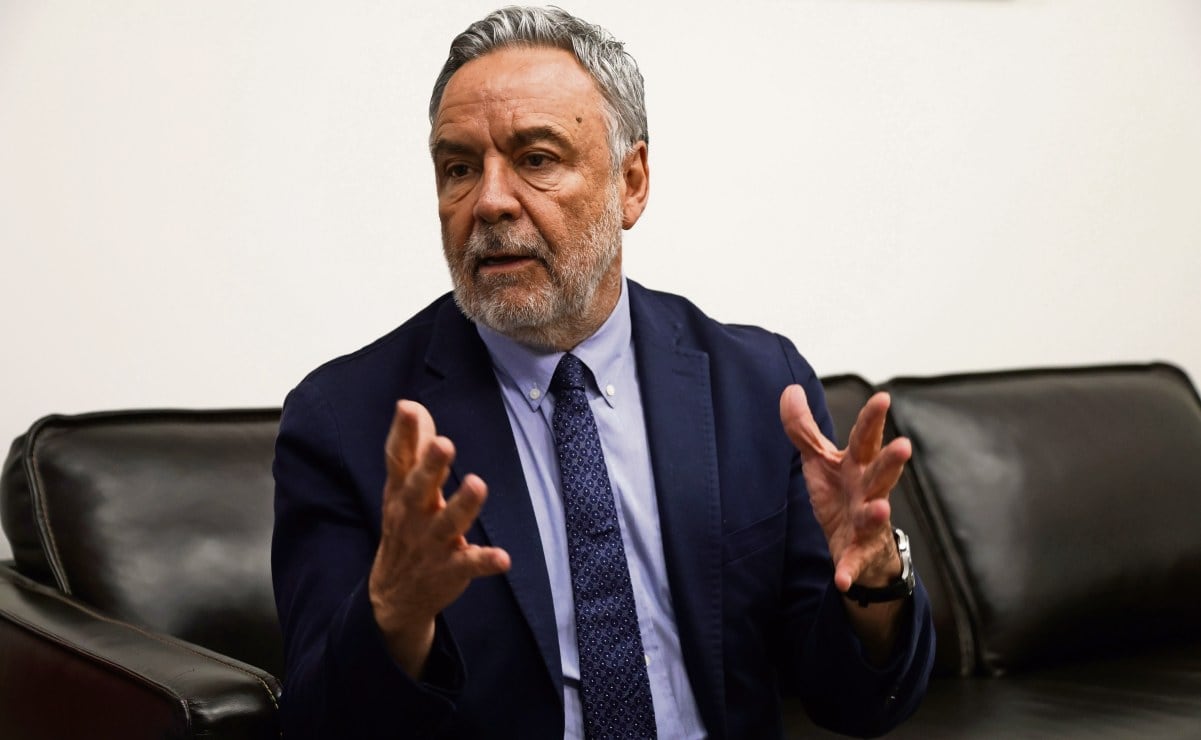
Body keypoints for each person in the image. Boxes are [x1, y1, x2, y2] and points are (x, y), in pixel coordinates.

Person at [272, 6, 935, 739]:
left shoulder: (756, 386)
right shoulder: (345, 422)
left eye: (536, 159)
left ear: (631, 182)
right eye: (459, 168)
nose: (489, 200)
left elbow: (852, 700)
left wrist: (875, 579)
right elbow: (313, 719)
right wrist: (394, 615)